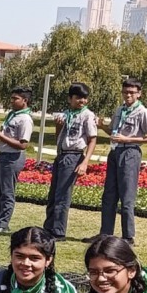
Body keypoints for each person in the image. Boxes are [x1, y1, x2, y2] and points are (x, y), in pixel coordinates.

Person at [91, 79, 147, 245]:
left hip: (130, 153)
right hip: (115, 151)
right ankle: (105, 234)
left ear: (139, 94)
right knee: (109, 195)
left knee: (127, 196)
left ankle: (128, 236)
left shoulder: (142, 112)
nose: (128, 95)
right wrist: (101, 126)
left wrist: (127, 139)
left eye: (132, 92)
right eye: (125, 92)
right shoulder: (120, 109)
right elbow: (113, 130)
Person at [44, 82, 98, 240]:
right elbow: (59, 138)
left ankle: (58, 231)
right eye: (78, 97)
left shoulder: (87, 115)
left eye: (84, 98)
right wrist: (58, 127)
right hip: (62, 154)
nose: (81, 101)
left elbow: (92, 140)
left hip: (74, 155)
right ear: (70, 98)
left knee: (63, 195)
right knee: (53, 194)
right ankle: (48, 227)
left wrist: (85, 162)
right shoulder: (66, 114)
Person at [0, 86, 35, 234]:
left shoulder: (25, 119)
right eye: (12, 98)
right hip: (2, 155)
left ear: (24, 100)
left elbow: (22, 144)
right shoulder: (13, 115)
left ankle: (3, 224)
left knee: (7, 192)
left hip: (13, 157)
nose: (12, 101)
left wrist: (1, 137)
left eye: (15, 99)